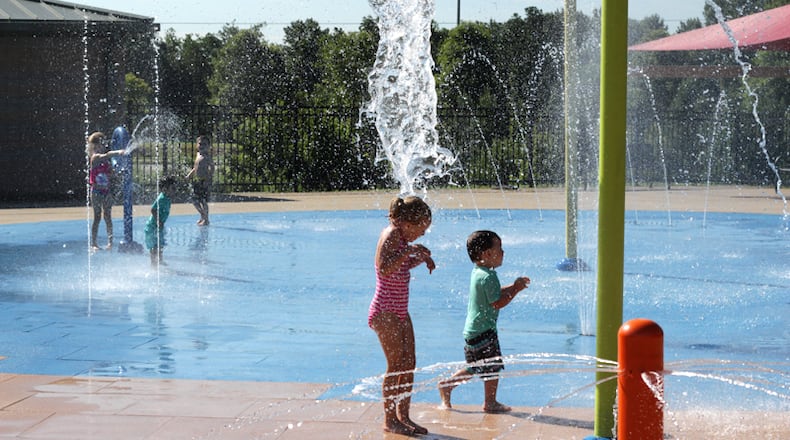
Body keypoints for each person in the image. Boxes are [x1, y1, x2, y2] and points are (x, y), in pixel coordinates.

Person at [438, 230, 530, 414]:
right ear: (487, 254)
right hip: (484, 330)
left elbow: (493, 294)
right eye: (500, 249)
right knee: (492, 367)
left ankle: (448, 385)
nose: (503, 252)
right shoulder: (489, 276)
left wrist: (512, 286)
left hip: (473, 330)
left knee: (476, 367)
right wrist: (517, 290)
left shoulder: (479, 272)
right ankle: (490, 402)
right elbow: (497, 302)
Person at [368, 196, 436, 436]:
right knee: (395, 365)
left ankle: (403, 416)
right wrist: (410, 250)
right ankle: (389, 419)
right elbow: (384, 267)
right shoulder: (391, 235)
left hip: (399, 310)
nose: (422, 234)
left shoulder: (402, 238)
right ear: (408, 223)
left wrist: (419, 258)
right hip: (385, 311)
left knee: (409, 363)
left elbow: (400, 267)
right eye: (421, 230)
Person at [86, 131, 127, 250]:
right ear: (94, 147)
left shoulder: (106, 162)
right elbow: (107, 155)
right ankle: (94, 243)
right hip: (96, 192)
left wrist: (115, 172)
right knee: (97, 217)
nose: (102, 147)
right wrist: (118, 152)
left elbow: (110, 174)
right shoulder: (95, 158)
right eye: (100, 145)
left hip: (106, 191)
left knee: (108, 216)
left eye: (103, 145)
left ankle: (110, 242)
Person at [144, 176, 177, 266]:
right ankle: (153, 264)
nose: (175, 190)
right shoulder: (161, 198)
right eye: (172, 188)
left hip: (159, 226)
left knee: (160, 245)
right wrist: (159, 221)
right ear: (165, 189)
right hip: (152, 227)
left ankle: (160, 260)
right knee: (154, 247)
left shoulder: (168, 198)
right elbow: (153, 210)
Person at [185, 135, 215, 226]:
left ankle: (206, 219)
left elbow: (212, 168)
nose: (202, 146)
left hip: (204, 182)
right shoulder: (198, 155)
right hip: (197, 181)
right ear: (196, 145)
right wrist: (189, 175)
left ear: (209, 147)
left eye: (205, 144)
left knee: (203, 201)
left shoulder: (207, 157)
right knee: (194, 200)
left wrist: (209, 179)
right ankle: (202, 215)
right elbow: (195, 168)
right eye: (200, 144)